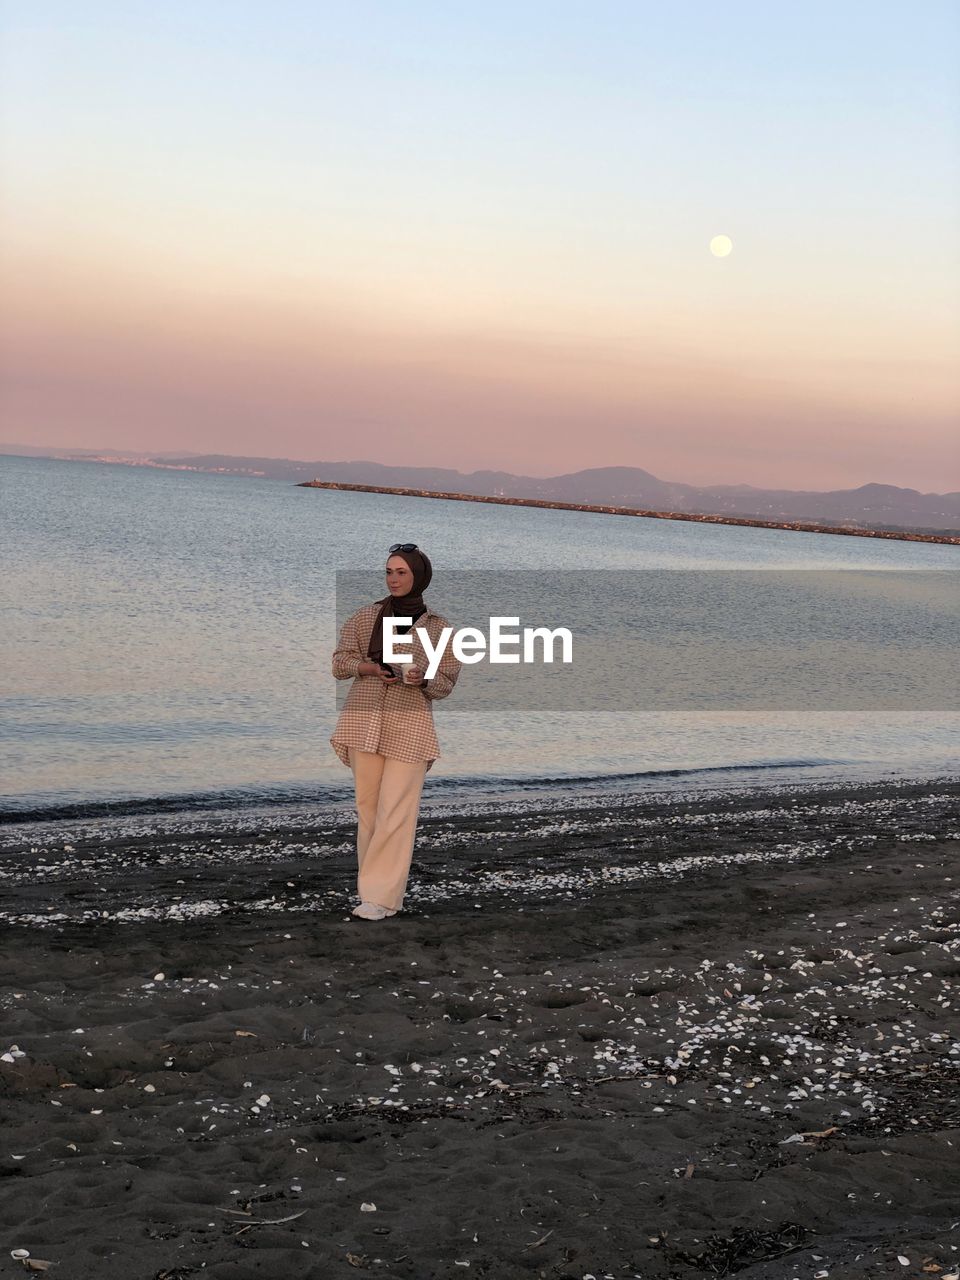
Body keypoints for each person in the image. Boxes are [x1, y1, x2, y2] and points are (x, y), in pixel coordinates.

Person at [331, 543, 461, 920]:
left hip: (411, 726)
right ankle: (379, 894)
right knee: (368, 811)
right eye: (389, 572)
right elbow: (339, 663)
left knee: (396, 813)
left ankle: (380, 898)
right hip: (363, 722)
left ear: (419, 576)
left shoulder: (440, 629)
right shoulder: (364, 618)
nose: (393, 579)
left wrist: (422, 680)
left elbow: (447, 683)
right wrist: (369, 669)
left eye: (402, 572)